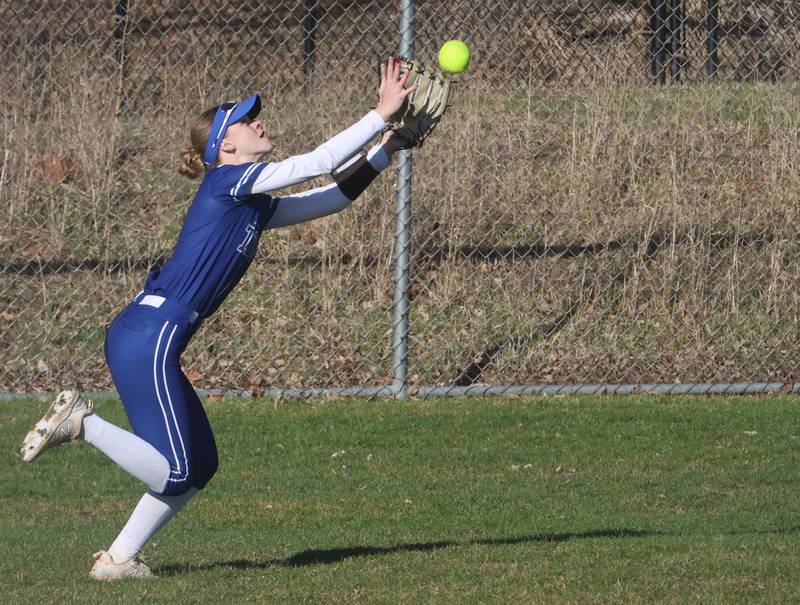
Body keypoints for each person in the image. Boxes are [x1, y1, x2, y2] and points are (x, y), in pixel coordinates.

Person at [19, 58, 416, 580]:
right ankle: (82, 425)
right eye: (246, 120)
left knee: (198, 465)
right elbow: (317, 162)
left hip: (152, 337)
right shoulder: (227, 182)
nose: (259, 123)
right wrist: (378, 113)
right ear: (225, 147)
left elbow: (330, 197)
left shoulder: (246, 201)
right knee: (177, 467)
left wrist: (386, 149)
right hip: (150, 336)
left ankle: (118, 560)